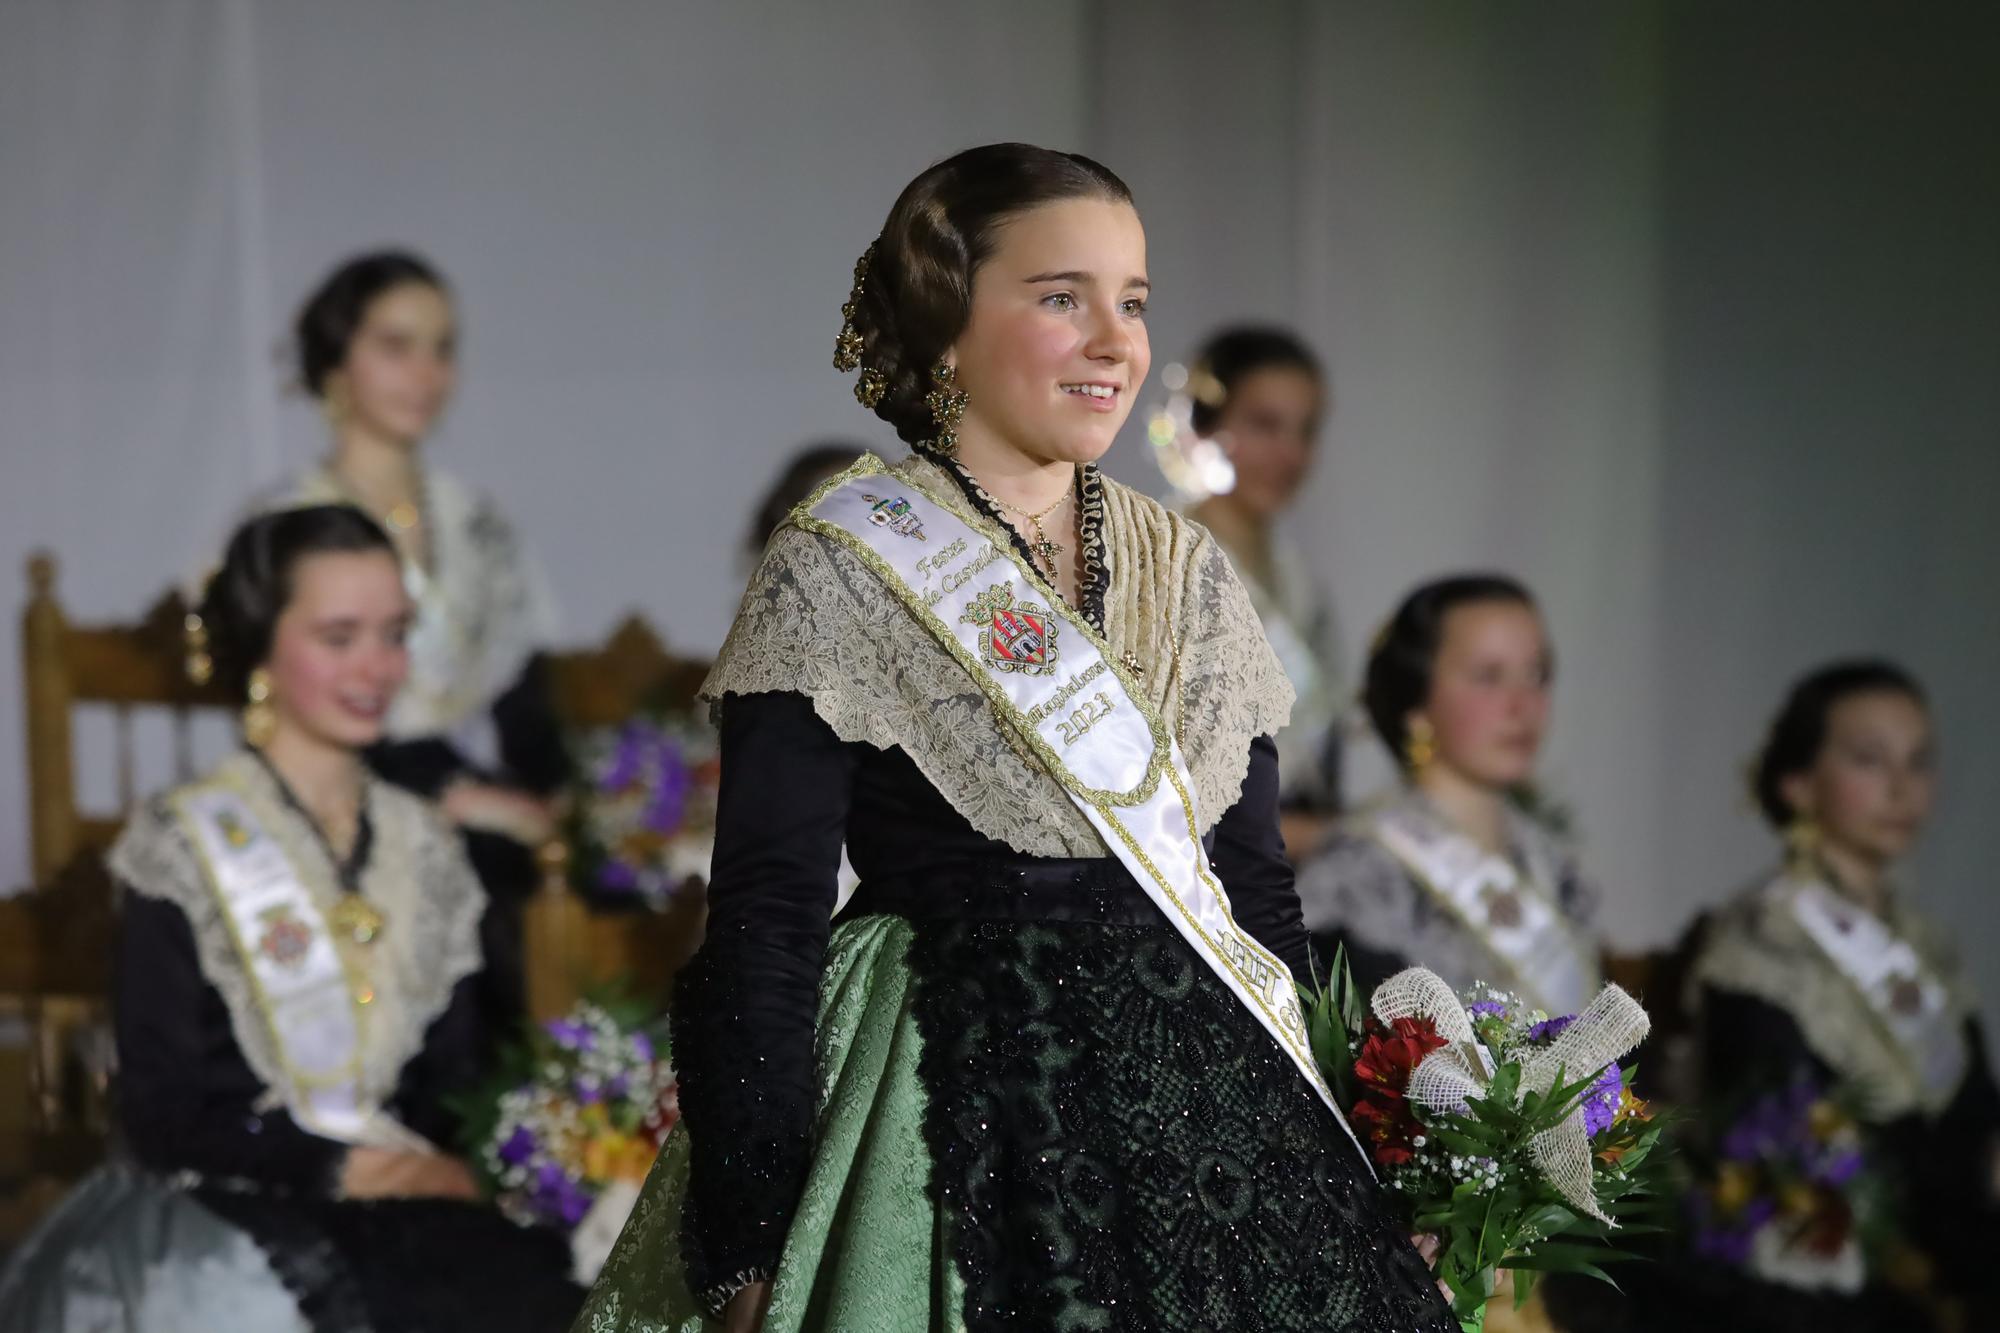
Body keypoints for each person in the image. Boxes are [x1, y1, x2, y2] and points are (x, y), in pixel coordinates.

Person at [573, 143, 1454, 1333]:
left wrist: (1352, 1169)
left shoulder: (1190, 570)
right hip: (949, 1088)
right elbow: (764, 920)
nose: (1115, 341)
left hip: (1203, 1105)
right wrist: (744, 1240)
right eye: (1061, 298)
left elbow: (1252, 898)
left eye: (1132, 302)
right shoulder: (840, 559)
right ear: (945, 323)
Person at [0, 506, 582, 1332]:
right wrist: (342, 1168)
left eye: (394, 633)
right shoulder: (183, 843)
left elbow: (453, 1082)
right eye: (339, 636)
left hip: (403, 1203)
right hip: (219, 1208)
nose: (377, 667)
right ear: (262, 644)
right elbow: (159, 1110)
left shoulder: (428, 847)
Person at [232, 250, 566, 1020]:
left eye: (442, 348)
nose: (426, 372)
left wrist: (562, 808)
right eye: (396, 344)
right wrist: (449, 798)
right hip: (335, 795)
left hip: (485, 814)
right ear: (335, 355)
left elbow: (523, 691)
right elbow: (277, 709)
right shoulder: (287, 522)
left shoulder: (474, 521)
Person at [1663, 660, 1998, 1331]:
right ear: (1798, 781)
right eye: (1870, 759)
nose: (1902, 787)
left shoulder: (1924, 946)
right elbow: (1779, 1166)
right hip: (1824, 1286)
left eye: (1920, 760)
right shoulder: (1761, 948)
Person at [1294, 575, 1600, 1017]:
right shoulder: (1358, 877)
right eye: (1488, 676)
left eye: (1537, 674)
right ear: (1417, 702)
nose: (1521, 704)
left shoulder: (1555, 867)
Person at [1184, 325, 1347, 852]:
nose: (1290, 455)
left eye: (1306, 431)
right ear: (1204, 425)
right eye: (1265, 425)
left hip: (1291, 867)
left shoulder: (1298, 579)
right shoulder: (1170, 561)